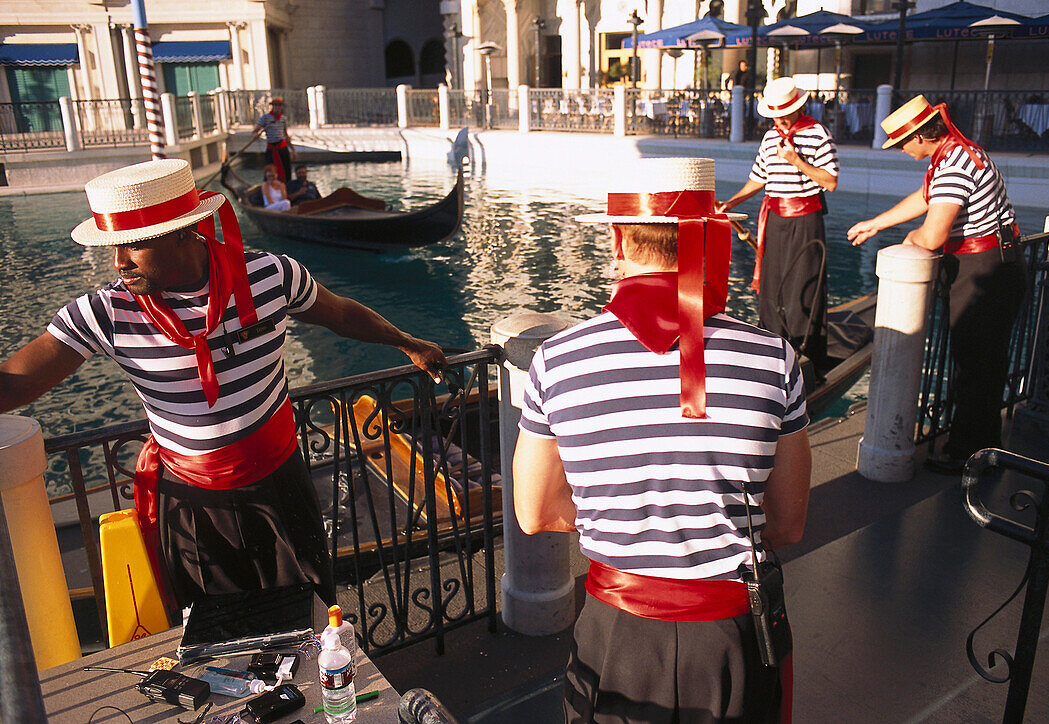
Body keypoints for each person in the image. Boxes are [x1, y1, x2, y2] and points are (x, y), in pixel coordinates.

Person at [0, 159, 448, 608]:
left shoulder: (271, 275)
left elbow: (341, 314)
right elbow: (14, 385)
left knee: (307, 612)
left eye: (132, 244)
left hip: (282, 484)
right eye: (113, 247)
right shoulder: (104, 312)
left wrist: (407, 343)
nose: (118, 262)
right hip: (192, 503)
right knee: (219, 632)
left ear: (181, 231)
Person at [513, 157, 811, 723]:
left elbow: (536, 513)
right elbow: (788, 523)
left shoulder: (555, 363)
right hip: (732, 637)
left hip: (615, 633)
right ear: (707, 236)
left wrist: (623, 517)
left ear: (618, 239)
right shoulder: (775, 358)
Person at [847, 95, 1025, 474]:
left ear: (920, 137)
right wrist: (878, 223)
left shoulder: (953, 166)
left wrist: (908, 242)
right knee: (982, 362)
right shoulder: (958, 153)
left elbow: (931, 235)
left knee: (975, 364)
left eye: (901, 143)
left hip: (983, 269)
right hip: (995, 264)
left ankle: (970, 454)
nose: (900, 150)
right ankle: (978, 446)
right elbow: (927, 196)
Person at [718, 77, 838, 376]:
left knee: (802, 290)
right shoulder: (770, 138)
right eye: (776, 115)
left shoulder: (817, 133)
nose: (780, 119)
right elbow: (759, 178)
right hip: (773, 219)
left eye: (785, 113)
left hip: (805, 220)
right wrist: (732, 203)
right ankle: (773, 358)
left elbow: (831, 182)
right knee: (771, 292)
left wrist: (796, 160)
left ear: (799, 106)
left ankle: (807, 361)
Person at [251, 97, 296, 181]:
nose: (277, 107)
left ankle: (286, 186)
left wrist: (293, 150)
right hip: (271, 148)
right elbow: (255, 131)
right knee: (269, 169)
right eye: (275, 105)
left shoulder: (283, 118)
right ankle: (269, 186)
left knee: (286, 169)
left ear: (281, 107)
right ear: (272, 106)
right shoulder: (265, 117)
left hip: (282, 148)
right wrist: (255, 135)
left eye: (279, 105)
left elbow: (285, 135)